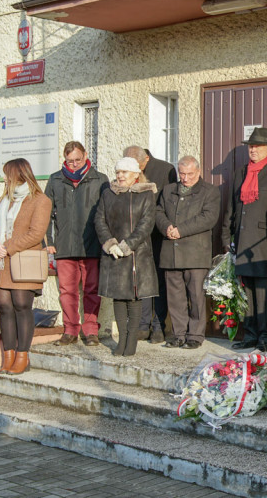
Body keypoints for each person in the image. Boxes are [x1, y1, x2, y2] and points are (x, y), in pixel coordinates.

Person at [221, 127, 267, 353]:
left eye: (257, 146)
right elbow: (232, 206)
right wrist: (226, 236)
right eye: (251, 146)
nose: (253, 150)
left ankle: (266, 337)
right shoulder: (241, 172)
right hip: (242, 240)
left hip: (264, 241)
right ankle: (249, 334)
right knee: (246, 290)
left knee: (265, 291)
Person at [0, 158, 52, 374]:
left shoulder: (40, 200)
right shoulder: (5, 199)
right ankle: (9, 355)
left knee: (22, 305)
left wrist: (8, 247)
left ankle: (23, 356)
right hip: (1, 261)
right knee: (4, 307)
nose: (4, 178)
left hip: (23, 260)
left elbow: (36, 233)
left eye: (7, 174)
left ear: (18, 174)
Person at [44, 141, 109, 346]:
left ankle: (91, 331)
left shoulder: (100, 179)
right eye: (69, 161)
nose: (73, 165)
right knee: (67, 291)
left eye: (77, 160)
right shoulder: (55, 180)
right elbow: (46, 214)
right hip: (64, 246)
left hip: (92, 245)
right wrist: (49, 241)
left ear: (85, 156)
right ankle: (70, 330)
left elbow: (107, 213)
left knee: (92, 290)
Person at [95, 157, 159, 357]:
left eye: (124, 172)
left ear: (135, 175)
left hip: (136, 254)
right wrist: (111, 244)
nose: (120, 176)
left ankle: (131, 341)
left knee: (133, 297)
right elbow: (99, 220)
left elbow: (146, 224)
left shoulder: (146, 195)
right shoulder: (108, 194)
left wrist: (127, 245)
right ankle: (121, 340)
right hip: (113, 254)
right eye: (118, 172)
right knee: (118, 297)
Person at [155, 156, 221, 350]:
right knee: (175, 297)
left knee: (196, 296)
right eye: (182, 174)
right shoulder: (168, 190)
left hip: (195, 253)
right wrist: (166, 226)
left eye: (189, 174)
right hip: (171, 252)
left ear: (198, 172)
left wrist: (181, 230)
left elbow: (208, 218)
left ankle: (195, 335)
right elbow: (158, 212)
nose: (185, 178)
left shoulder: (210, 191)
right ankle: (178, 334)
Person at [124, 145, 177, 343]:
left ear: (145, 159)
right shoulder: (127, 173)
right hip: (136, 237)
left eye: (135, 165)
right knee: (142, 282)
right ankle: (142, 325)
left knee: (159, 281)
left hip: (157, 234)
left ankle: (159, 325)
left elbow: (168, 203)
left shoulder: (164, 169)